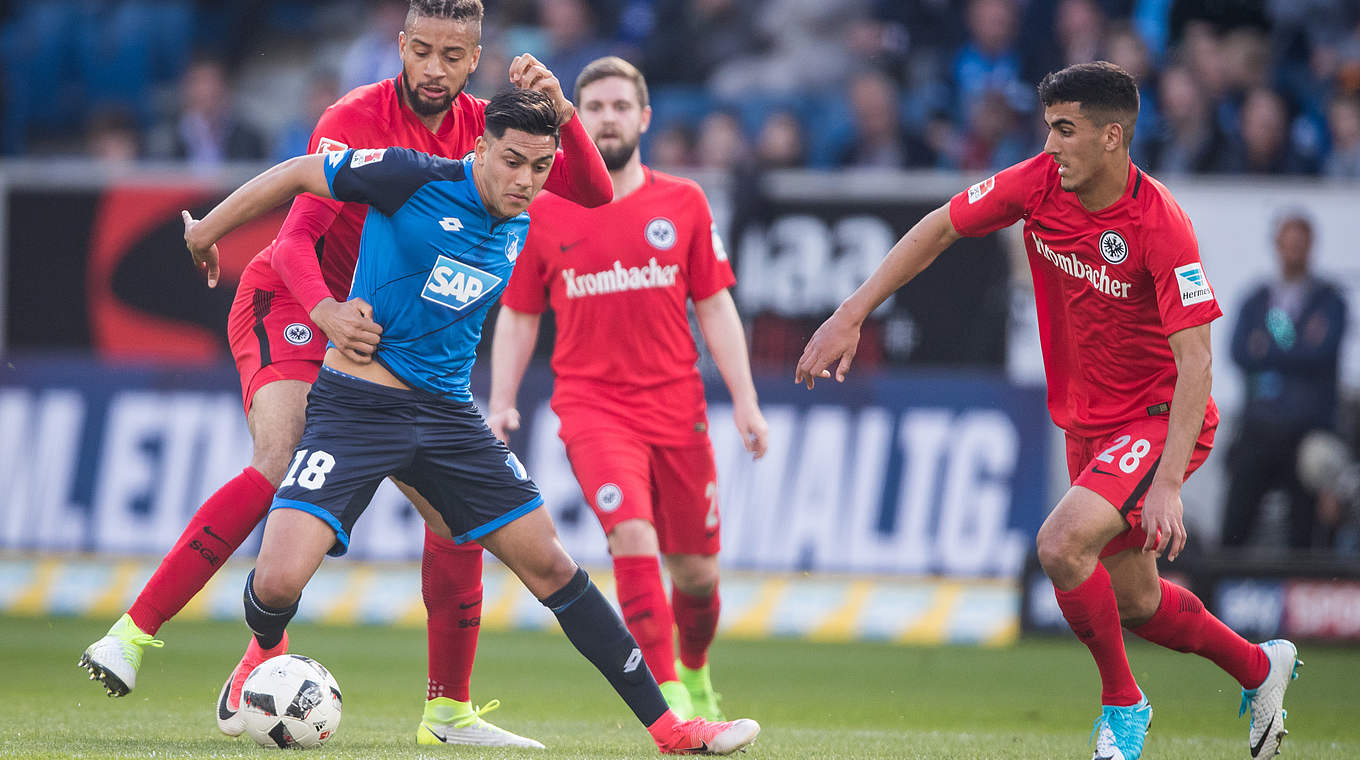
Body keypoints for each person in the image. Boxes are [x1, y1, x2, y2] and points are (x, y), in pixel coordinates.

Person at [79, 0, 612, 748]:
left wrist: (562, 107)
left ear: (477, 57)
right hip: (297, 303)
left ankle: (447, 711)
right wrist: (326, 311)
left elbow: (591, 193)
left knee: (458, 518)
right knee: (280, 456)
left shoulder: (494, 132)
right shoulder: (355, 114)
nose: (435, 69)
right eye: (421, 50)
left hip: (386, 342)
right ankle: (133, 635)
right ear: (399, 44)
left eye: (453, 57)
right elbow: (295, 239)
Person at [180, 88, 761, 756]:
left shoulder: (532, 203)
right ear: (479, 148)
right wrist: (206, 231)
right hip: (358, 406)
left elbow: (598, 194)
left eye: (539, 168)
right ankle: (266, 650)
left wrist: (567, 116)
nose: (525, 181)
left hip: (449, 418)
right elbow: (296, 173)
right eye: (512, 161)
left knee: (552, 566)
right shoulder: (408, 175)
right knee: (277, 582)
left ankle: (672, 729)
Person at [794, 62, 1301, 760]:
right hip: (1089, 426)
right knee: (1138, 604)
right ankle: (1258, 667)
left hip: (1156, 417)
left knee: (1060, 546)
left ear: (1112, 136)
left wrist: (1170, 484)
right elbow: (939, 226)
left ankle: (1123, 707)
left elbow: (1197, 364)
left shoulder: (1162, 225)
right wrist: (852, 313)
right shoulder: (1037, 182)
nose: (1051, 144)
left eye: (1065, 130)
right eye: (1048, 128)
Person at [488, 56, 769, 721]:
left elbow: (716, 306)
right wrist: (501, 399)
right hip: (592, 409)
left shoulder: (684, 202)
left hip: (678, 408)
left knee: (697, 577)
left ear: (643, 118)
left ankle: (695, 670)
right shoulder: (545, 211)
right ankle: (668, 698)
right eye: (594, 109)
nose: (608, 119)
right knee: (631, 538)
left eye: (620, 107)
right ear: (572, 123)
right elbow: (521, 312)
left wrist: (747, 399)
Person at [1223, 212, 1348, 549]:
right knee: (1234, 524)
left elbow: (1322, 353)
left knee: (1304, 533)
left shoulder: (1330, 300)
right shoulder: (1255, 300)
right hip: (1260, 429)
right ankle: (1215, 593)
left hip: (1307, 432)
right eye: (1287, 243)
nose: (1293, 251)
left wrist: (1269, 350)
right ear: (1277, 246)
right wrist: (1300, 346)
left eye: (1300, 244)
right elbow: (1238, 353)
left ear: (1311, 247)